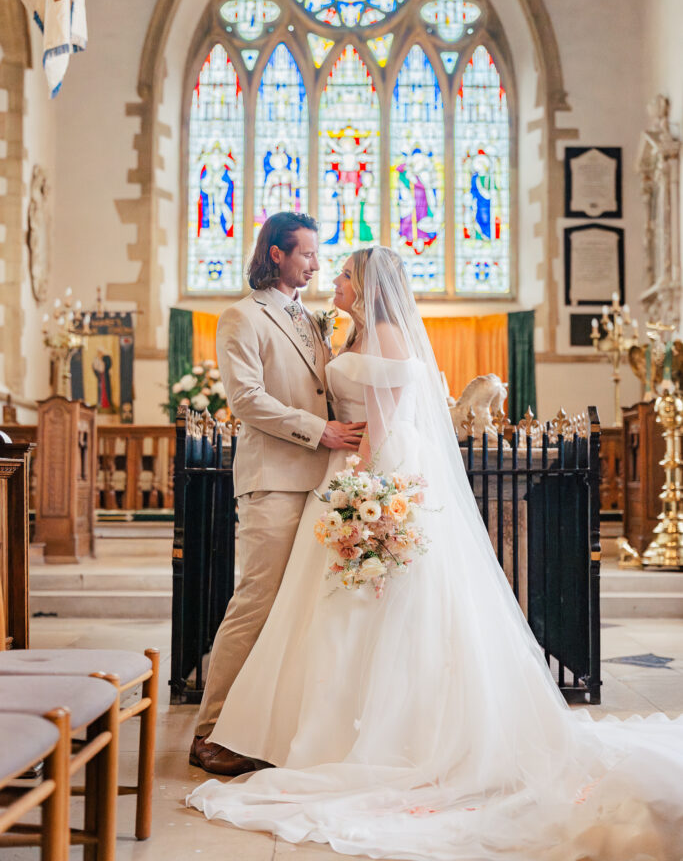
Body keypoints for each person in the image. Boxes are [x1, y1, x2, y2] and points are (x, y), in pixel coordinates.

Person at [189, 246, 683, 860]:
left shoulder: (386, 336)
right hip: (342, 469)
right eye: (328, 266)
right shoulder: (343, 331)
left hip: (374, 474)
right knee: (326, 611)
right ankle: (298, 731)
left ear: (368, 284)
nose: (333, 279)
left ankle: (367, 738)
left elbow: (388, 419)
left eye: (342, 272)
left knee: (374, 606)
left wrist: (361, 489)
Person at [189, 212, 365, 776]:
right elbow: (245, 400)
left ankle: (267, 727)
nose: (316, 264)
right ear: (275, 255)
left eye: (317, 255)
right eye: (307, 254)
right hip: (273, 481)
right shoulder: (242, 317)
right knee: (257, 603)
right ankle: (210, 731)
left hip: (320, 482)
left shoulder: (309, 320)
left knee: (298, 612)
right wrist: (321, 432)